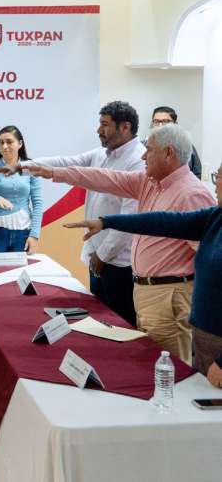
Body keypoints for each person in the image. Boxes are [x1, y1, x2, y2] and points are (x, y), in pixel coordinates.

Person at [25, 124, 216, 363]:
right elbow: (105, 177)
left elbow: (209, 260)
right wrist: (54, 172)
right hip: (148, 292)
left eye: (150, 150)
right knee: (151, 364)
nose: (144, 156)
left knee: (170, 369)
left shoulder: (192, 194)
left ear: (169, 153)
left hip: (169, 296)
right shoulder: (149, 182)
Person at [0, 101, 145, 326]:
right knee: (100, 321)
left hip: (118, 261)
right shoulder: (102, 153)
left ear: (125, 127)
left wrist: (104, 255)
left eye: (105, 125)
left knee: (120, 324)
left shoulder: (138, 160)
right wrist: (22, 166)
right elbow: (65, 162)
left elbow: (128, 220)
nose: (98, 130)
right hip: (98, 255)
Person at [65, 162, 222, 387]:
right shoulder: (215, 217)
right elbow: (162, 221)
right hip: (205, 337)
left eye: (219, 177)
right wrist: (106, 222)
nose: (214, 185)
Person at [0, 125, 42, 254]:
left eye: (9, 142)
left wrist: (34, 235)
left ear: (20, 144)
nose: (4, 146)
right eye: (1, 142)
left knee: (19, 267)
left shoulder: (31, 167)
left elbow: (38, 202)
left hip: (23, 232)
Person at [148, 106, 202, 179]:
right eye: (156, 122)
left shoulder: (185, 147)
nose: (160, 126)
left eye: (165, 122)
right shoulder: (144, 146)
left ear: (175, 124)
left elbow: (197, 174)